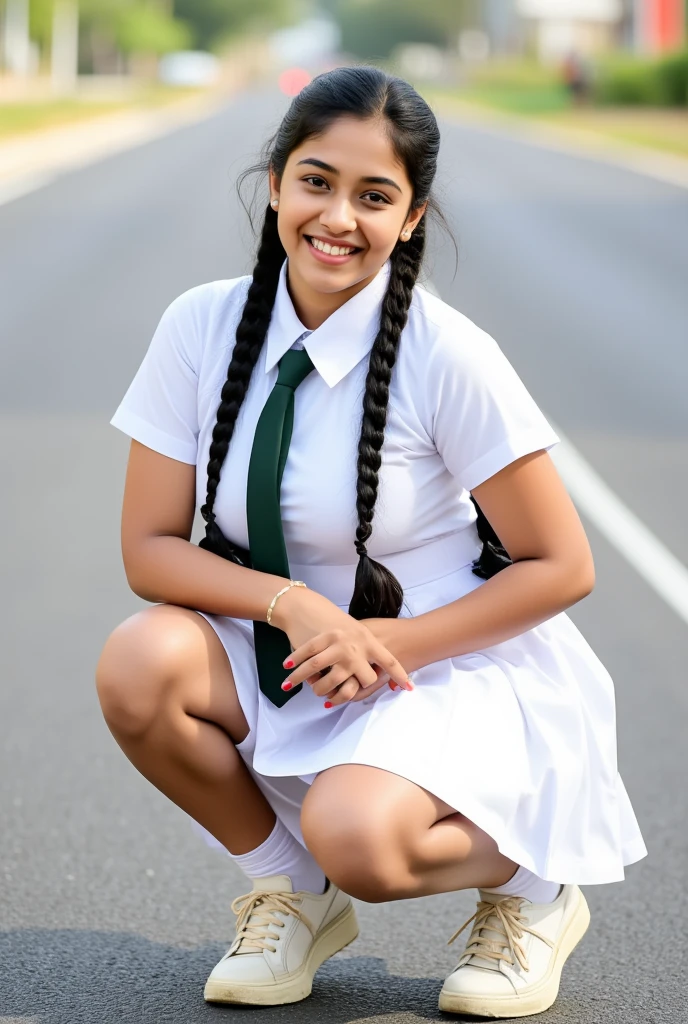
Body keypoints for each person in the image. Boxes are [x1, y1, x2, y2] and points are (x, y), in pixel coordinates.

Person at [96, 64, 647, 1017]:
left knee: (363, 838)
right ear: (274, 183)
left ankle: (535, 888)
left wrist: (383, 642)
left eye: (374, 195)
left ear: (413, 217)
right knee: (139, 662)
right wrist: (299, 606)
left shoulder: (448, 354)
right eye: (316, 181)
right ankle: (293, 891)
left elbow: (564, 564)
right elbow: (150, 549)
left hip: (434, 652)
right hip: (293, 638)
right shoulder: (200, 325)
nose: (338, 216)